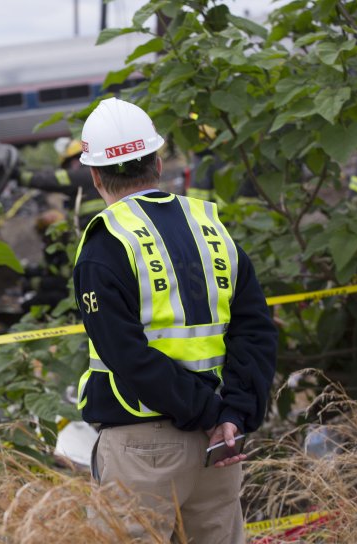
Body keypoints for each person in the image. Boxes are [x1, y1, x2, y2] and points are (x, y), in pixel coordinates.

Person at [72, 98, 277, 542]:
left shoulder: (106, 244)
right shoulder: (210, 227)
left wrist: (208, 414)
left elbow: (126, 354)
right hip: (219, 443)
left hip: (142, 447)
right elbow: (256, 329)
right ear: (158, 163)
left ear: (94, 176)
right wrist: (233, 416)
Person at [19, 138, 105, 228]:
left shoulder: (80, 174)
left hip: (94, 229)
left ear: (74, 161)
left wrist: (21, 176)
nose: (67, 169)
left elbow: (50, 180)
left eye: (67, 164)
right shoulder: (96, 171)